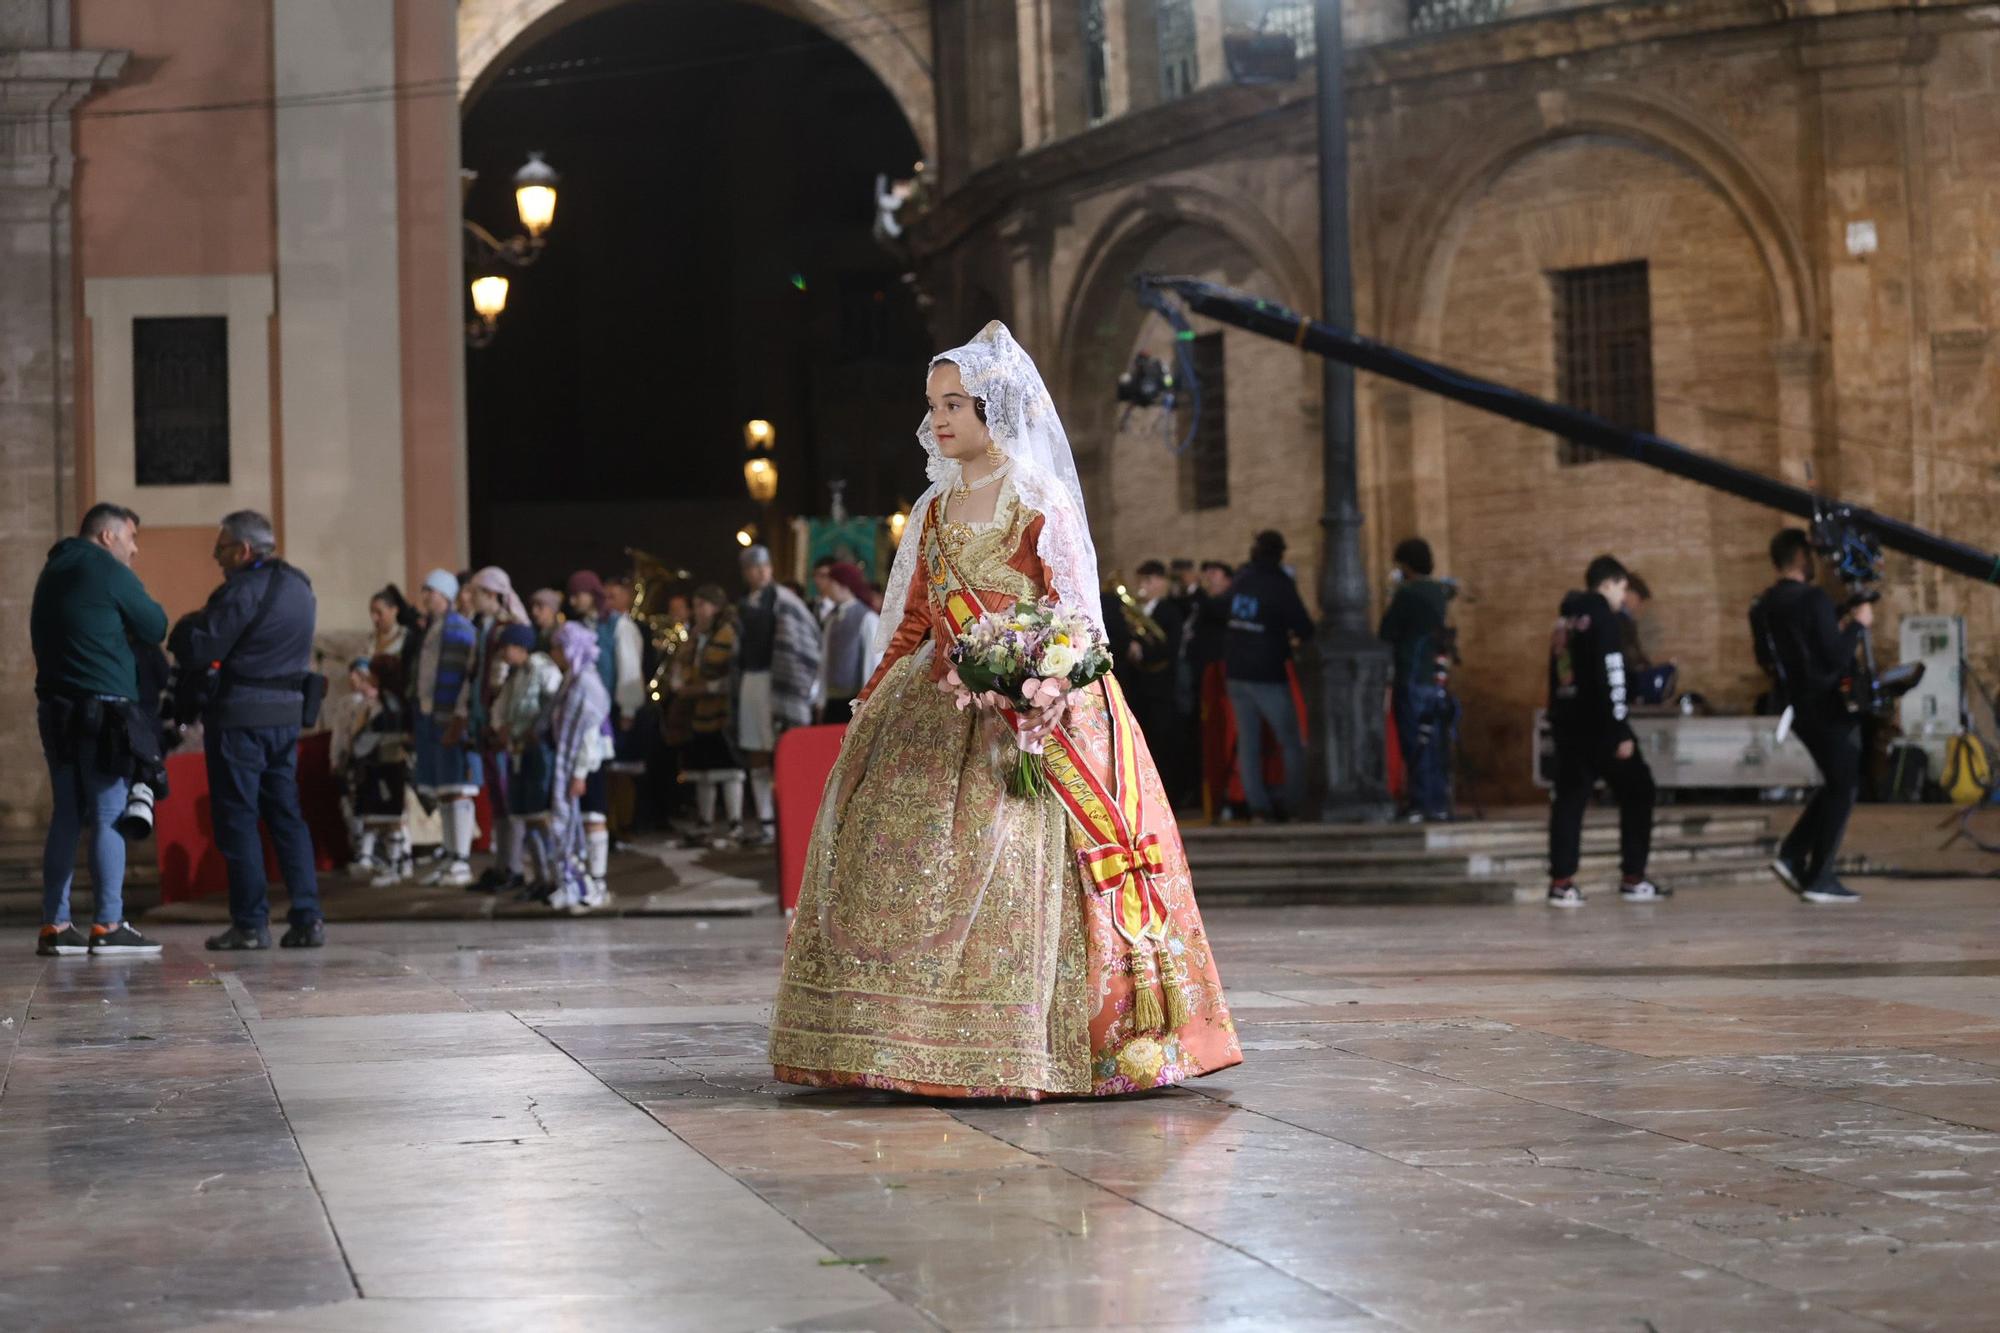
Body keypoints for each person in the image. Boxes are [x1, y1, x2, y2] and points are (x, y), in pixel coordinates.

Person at [769, 320, 1240, 1099]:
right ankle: (898, 1040)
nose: (940, 419)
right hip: (937, 701)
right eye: (933, 405)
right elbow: (915, 619)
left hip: (1040, 706)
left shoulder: (1036, 497)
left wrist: (1046, 686)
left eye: (956, 403)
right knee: (905, 863)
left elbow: (1078, 616)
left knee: (1031, 862)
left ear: (997, 408)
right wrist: (872, 698)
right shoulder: (933, 508)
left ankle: (1053, 1039)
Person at [29, 502, 169, 956]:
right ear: (108, 536)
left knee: (67, 814)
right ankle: (108, 923)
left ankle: (55, 925)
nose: (134, 550)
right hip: (103, 711)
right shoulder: (107, 570)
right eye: (130, 539)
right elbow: (154, 625)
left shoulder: (52, 571)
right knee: (109, 813)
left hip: (55, 708)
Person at [191, 510, 326, 950]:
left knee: (239, 820)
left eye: (223, 547)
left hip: (240, 720)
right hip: (286, 719)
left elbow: (204, 646)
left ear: (245, 549)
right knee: (287, 815)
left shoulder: (241, 591)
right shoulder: (301, 587)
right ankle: (308, 918)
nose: (217, 555)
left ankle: (250, 923)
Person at [1757, 528, 1869, 904]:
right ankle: (1819, 875)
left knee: (1839, 780)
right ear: (1803, 558)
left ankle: (1794, 855)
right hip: (1824, 702)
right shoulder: (1812, 598)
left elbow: (1772, 654)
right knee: (1846, 779)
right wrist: (1857, 624)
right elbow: (1835, 656)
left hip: (1796, 704)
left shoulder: (1765, 604)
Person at [1546, 554, 1663, 908]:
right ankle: (1633, 876)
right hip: (1600, 728)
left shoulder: (1566, 620)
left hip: (1568, 724)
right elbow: (1610, 674)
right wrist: (1619, 730)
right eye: (1623, 587)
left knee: (1569, 800)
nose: (1623, 595)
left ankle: (1562, 882)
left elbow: (1558, 674)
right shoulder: (1603, 616)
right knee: (1640, 788)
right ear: (1609, 583)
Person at [1225, 530, 1314, 821]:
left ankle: (1258, 807)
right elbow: (1304, 626)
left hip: (1236, 672)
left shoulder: (1241, 580)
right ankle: (1295, 804)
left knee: (1249, 744)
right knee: (1290, 740)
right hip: (1268, 675)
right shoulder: (1280, 585)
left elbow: (1224, 611)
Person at [735, 545, 821, 846]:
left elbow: (804, 637)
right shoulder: (744, 603)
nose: (760, 572)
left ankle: (793, 818)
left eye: (765, 566)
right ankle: (766, 820)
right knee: (756, 750)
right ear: (745, 572)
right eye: (753, 567)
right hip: (752, 682)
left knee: (785, 746)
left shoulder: (783, 600)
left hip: (778, 680)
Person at [408, 569, 481, 889]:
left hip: (449, 719)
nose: (426, 598)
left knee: (456, 788)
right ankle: (451, 855)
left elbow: (460, 677)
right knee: (444, 790)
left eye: (432, 592)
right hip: (430, 717)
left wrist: (454, 718)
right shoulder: (435, 628)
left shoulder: (457, 628)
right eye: (424, 591)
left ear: (447, 596)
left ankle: (461, 859)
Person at [664, 586, 749, 847]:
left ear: (716, 606)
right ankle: (705, 822)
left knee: (728, 768)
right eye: (696, 605)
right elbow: (684, 664)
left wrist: (702, 688)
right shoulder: (698, 635)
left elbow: (732, 674)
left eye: (704, 605)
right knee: (702, 769)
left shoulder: (728, 632)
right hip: (698, 710)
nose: (699, 611)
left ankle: (735, 822)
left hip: (722, 709)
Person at [1378, 537, 1454, 823]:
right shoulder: (1440, 592)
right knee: (1434, 741)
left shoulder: (1407, 594)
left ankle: (1421, 802)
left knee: (1414, 742)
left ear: (1405, 564)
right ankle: (1438, 801)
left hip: (1410, 673)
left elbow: (1387, 631)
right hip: (1433, 676)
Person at [544, 619, 613, 913]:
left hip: (589, 762)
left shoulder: (586, 682)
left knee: (592, 818)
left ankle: (597, 883)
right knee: (576, 822)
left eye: (558, 647)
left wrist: (579, 772)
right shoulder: (572, 678)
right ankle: (574, 884)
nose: (554, 653)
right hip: (573, 762)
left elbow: (588, 731)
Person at [491, 622, 563, 896]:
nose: (504, 654)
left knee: (539, 815)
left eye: (507, 648)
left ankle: (553, 876)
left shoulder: (543, 670)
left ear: (520, 647)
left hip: (538, 751)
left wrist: (537, 729)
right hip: (518, 750)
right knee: (524, 814)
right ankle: (539, 877)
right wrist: (501, 729)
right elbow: (502, 709)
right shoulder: (516, 675)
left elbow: (552, 705)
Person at [361, 585, 420, 885]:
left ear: (394, 610)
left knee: (394, 800)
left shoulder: (406, 641)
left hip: (393, 738)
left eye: (379, 612)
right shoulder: (373, 641)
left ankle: (400, 861)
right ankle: (393, 859)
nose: (375, 618)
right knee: (382, 801)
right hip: (380, 735)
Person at [1119, 560, 1185, 789]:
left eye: (1148, 580)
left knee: (1162, 739)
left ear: (1160, 582)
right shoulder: (1134, 610)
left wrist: (1143, 650)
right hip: (1137, 683)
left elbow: (1170, 647)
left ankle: (1167, 790)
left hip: (1161, 685)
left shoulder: (1170, 611)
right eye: (1141, 580)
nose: (1142, 585)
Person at [1187, 559, 1235, 815]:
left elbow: (1216, 612)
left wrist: (1196, 591)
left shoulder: (1227, 600)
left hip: (1219, 678)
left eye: (1214, 573)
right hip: (1200, 679)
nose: (1208, 578)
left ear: (1228, 578)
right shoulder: (1203, 601)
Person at [814, 562, 882, 726]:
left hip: (854, 703)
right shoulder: (831, 619)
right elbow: (825, 661)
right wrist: (821, 699)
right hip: (832, 700)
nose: (827, 586)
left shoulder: (867, 618)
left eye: (830, 582)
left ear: (842, 585)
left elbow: (872, 663)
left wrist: (866, 703)